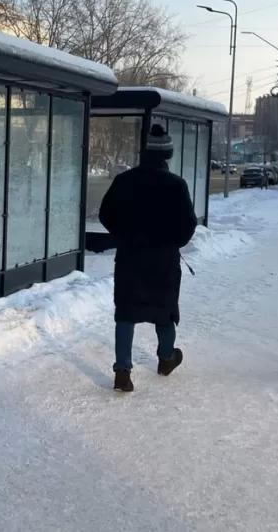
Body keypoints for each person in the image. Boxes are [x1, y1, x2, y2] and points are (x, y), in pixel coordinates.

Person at [99, 124, 198, 392]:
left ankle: (122, 371)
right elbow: (189, 224)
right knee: (164, 311)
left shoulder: (124, 181)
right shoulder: (177, 185)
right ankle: (166, 358)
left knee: (126, 312)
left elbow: (105, 214)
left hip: (130, 258)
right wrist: (171, 242)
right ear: (167, 154)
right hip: (163, 260)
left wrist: (124, 235)